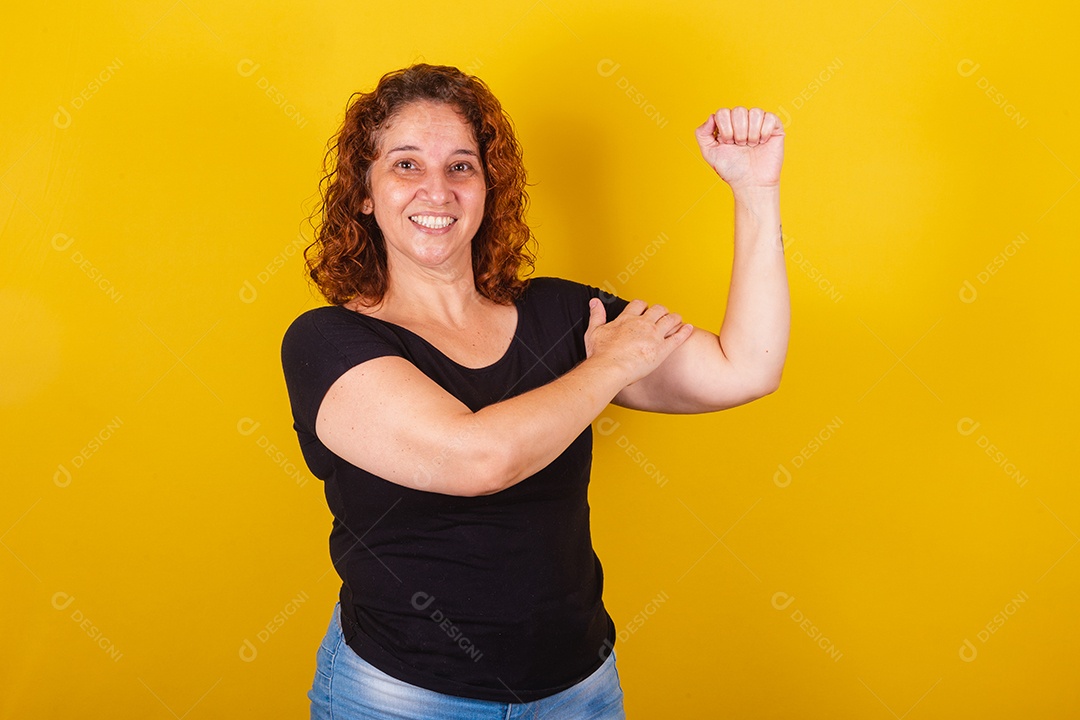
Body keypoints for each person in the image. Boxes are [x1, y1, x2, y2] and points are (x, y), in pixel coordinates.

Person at [280, 62, 788, 720]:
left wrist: (755, 192)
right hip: (402, 698)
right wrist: (609, 367)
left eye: (462, 166)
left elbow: (746, 367)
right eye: (406, 165)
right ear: (365, 193)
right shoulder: (327, 342)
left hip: (579, 692)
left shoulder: (564, 314)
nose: (436, 189)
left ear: (489, 187)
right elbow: (477, 460)